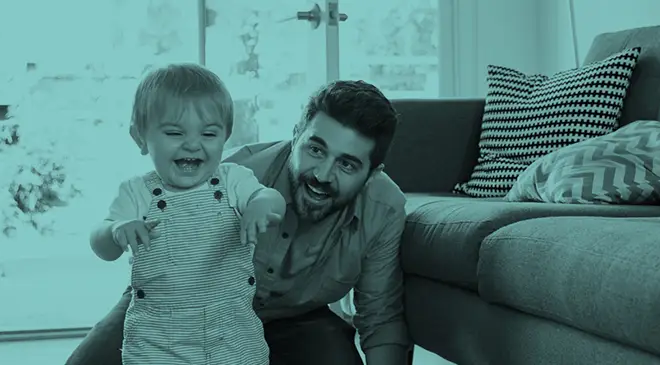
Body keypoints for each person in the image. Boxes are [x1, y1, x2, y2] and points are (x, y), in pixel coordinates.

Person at [66, 79, 411, 365]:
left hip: (295, 318)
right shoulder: (233, 173)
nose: (321, 174)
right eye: (315, 150)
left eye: (347, 165)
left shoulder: (383, 208)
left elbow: (380, 316)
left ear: (372, 173)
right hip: (179, 306)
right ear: (296, 135)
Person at [90, 63, 285, 364]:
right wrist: (116, 231)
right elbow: (100, 243)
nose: (193, 144)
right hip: (159, 344)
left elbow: (272, 199)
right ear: (140, 137)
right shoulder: (137, 193)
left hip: (232, 338)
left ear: (225, 136)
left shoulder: (234, 180)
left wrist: (261, 203)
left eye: (208, 134)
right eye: (174, 132)